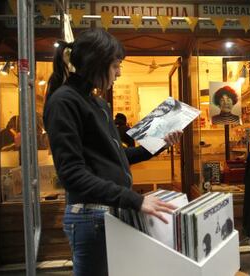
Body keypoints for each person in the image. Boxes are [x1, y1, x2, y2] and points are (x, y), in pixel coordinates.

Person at [43, 28, 182, 276]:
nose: (119, 72)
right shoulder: (64, 101)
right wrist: (136, 200)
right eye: (116, 65)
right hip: (90, 217)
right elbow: (72, 174)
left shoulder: (98, 103)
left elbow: (117, 157)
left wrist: (160, 143)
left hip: (110, 214)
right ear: (97, 63)